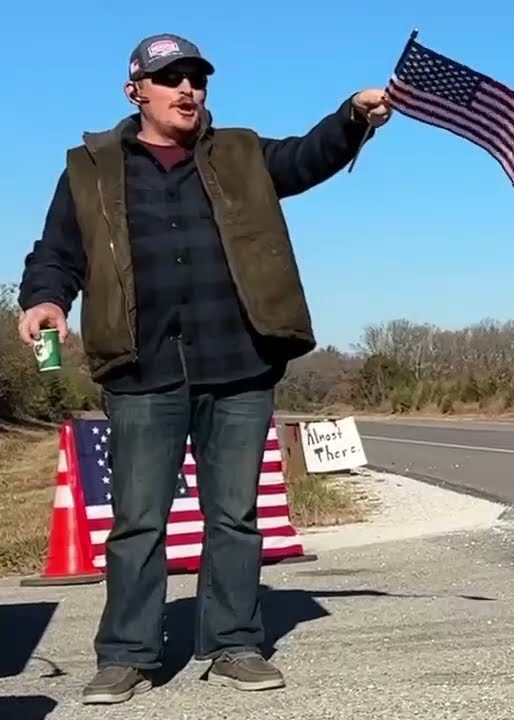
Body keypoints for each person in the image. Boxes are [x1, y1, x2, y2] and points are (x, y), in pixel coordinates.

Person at [15, 33, 392, 705]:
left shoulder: (240, 152)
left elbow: (307, 159)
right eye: (171, 79)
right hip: (141, 368)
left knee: (234, 516)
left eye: (197, 79)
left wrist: (352, 117)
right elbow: (57, 251)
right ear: (137, 91)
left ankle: (234, 644)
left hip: (240, 362)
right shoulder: (89, 167)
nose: (188, 90)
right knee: (138, 521)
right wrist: (45, 300)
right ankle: (127, 655)